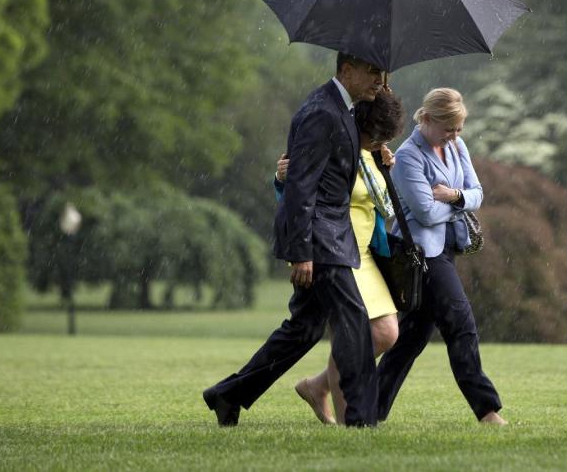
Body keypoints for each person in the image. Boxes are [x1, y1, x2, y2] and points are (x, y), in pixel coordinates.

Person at [202, 53, 385, 428]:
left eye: (381, 73)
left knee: (303, 331)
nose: (378, 80)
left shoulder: (344, 109)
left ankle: (228, 394)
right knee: (353, 321)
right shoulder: (322, 112)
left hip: (329, 238)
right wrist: (302, 252)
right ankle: (363, 420)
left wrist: (377, 155)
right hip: (321, 241)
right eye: (371, 72)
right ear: (345, 69)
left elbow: (335, 169)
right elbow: (301, 187)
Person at [275, 89, 406, 424]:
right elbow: (299, 189)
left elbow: (381, 205)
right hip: (334, 251)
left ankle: (317, 387)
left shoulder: (372, 153)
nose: (381, 142)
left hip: (365, 253)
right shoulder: (336, 139)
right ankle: (354, 421)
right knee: (351, 334)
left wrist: (381, 163)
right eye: (378, 137)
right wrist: (280, 179)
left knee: (385, 333)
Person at [376, 87, 507, 425]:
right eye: (449, 127)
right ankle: (487, 410)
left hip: (448, 249)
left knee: (410, 339)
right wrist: (457, 204)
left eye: (459, 128)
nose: (455, 136)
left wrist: (452, 195)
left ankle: (365, 410)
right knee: (460, 323)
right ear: (428, 118)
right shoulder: (408, 157)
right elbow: (424, 214)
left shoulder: (456, 146)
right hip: (423, 253)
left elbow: (477, 194)